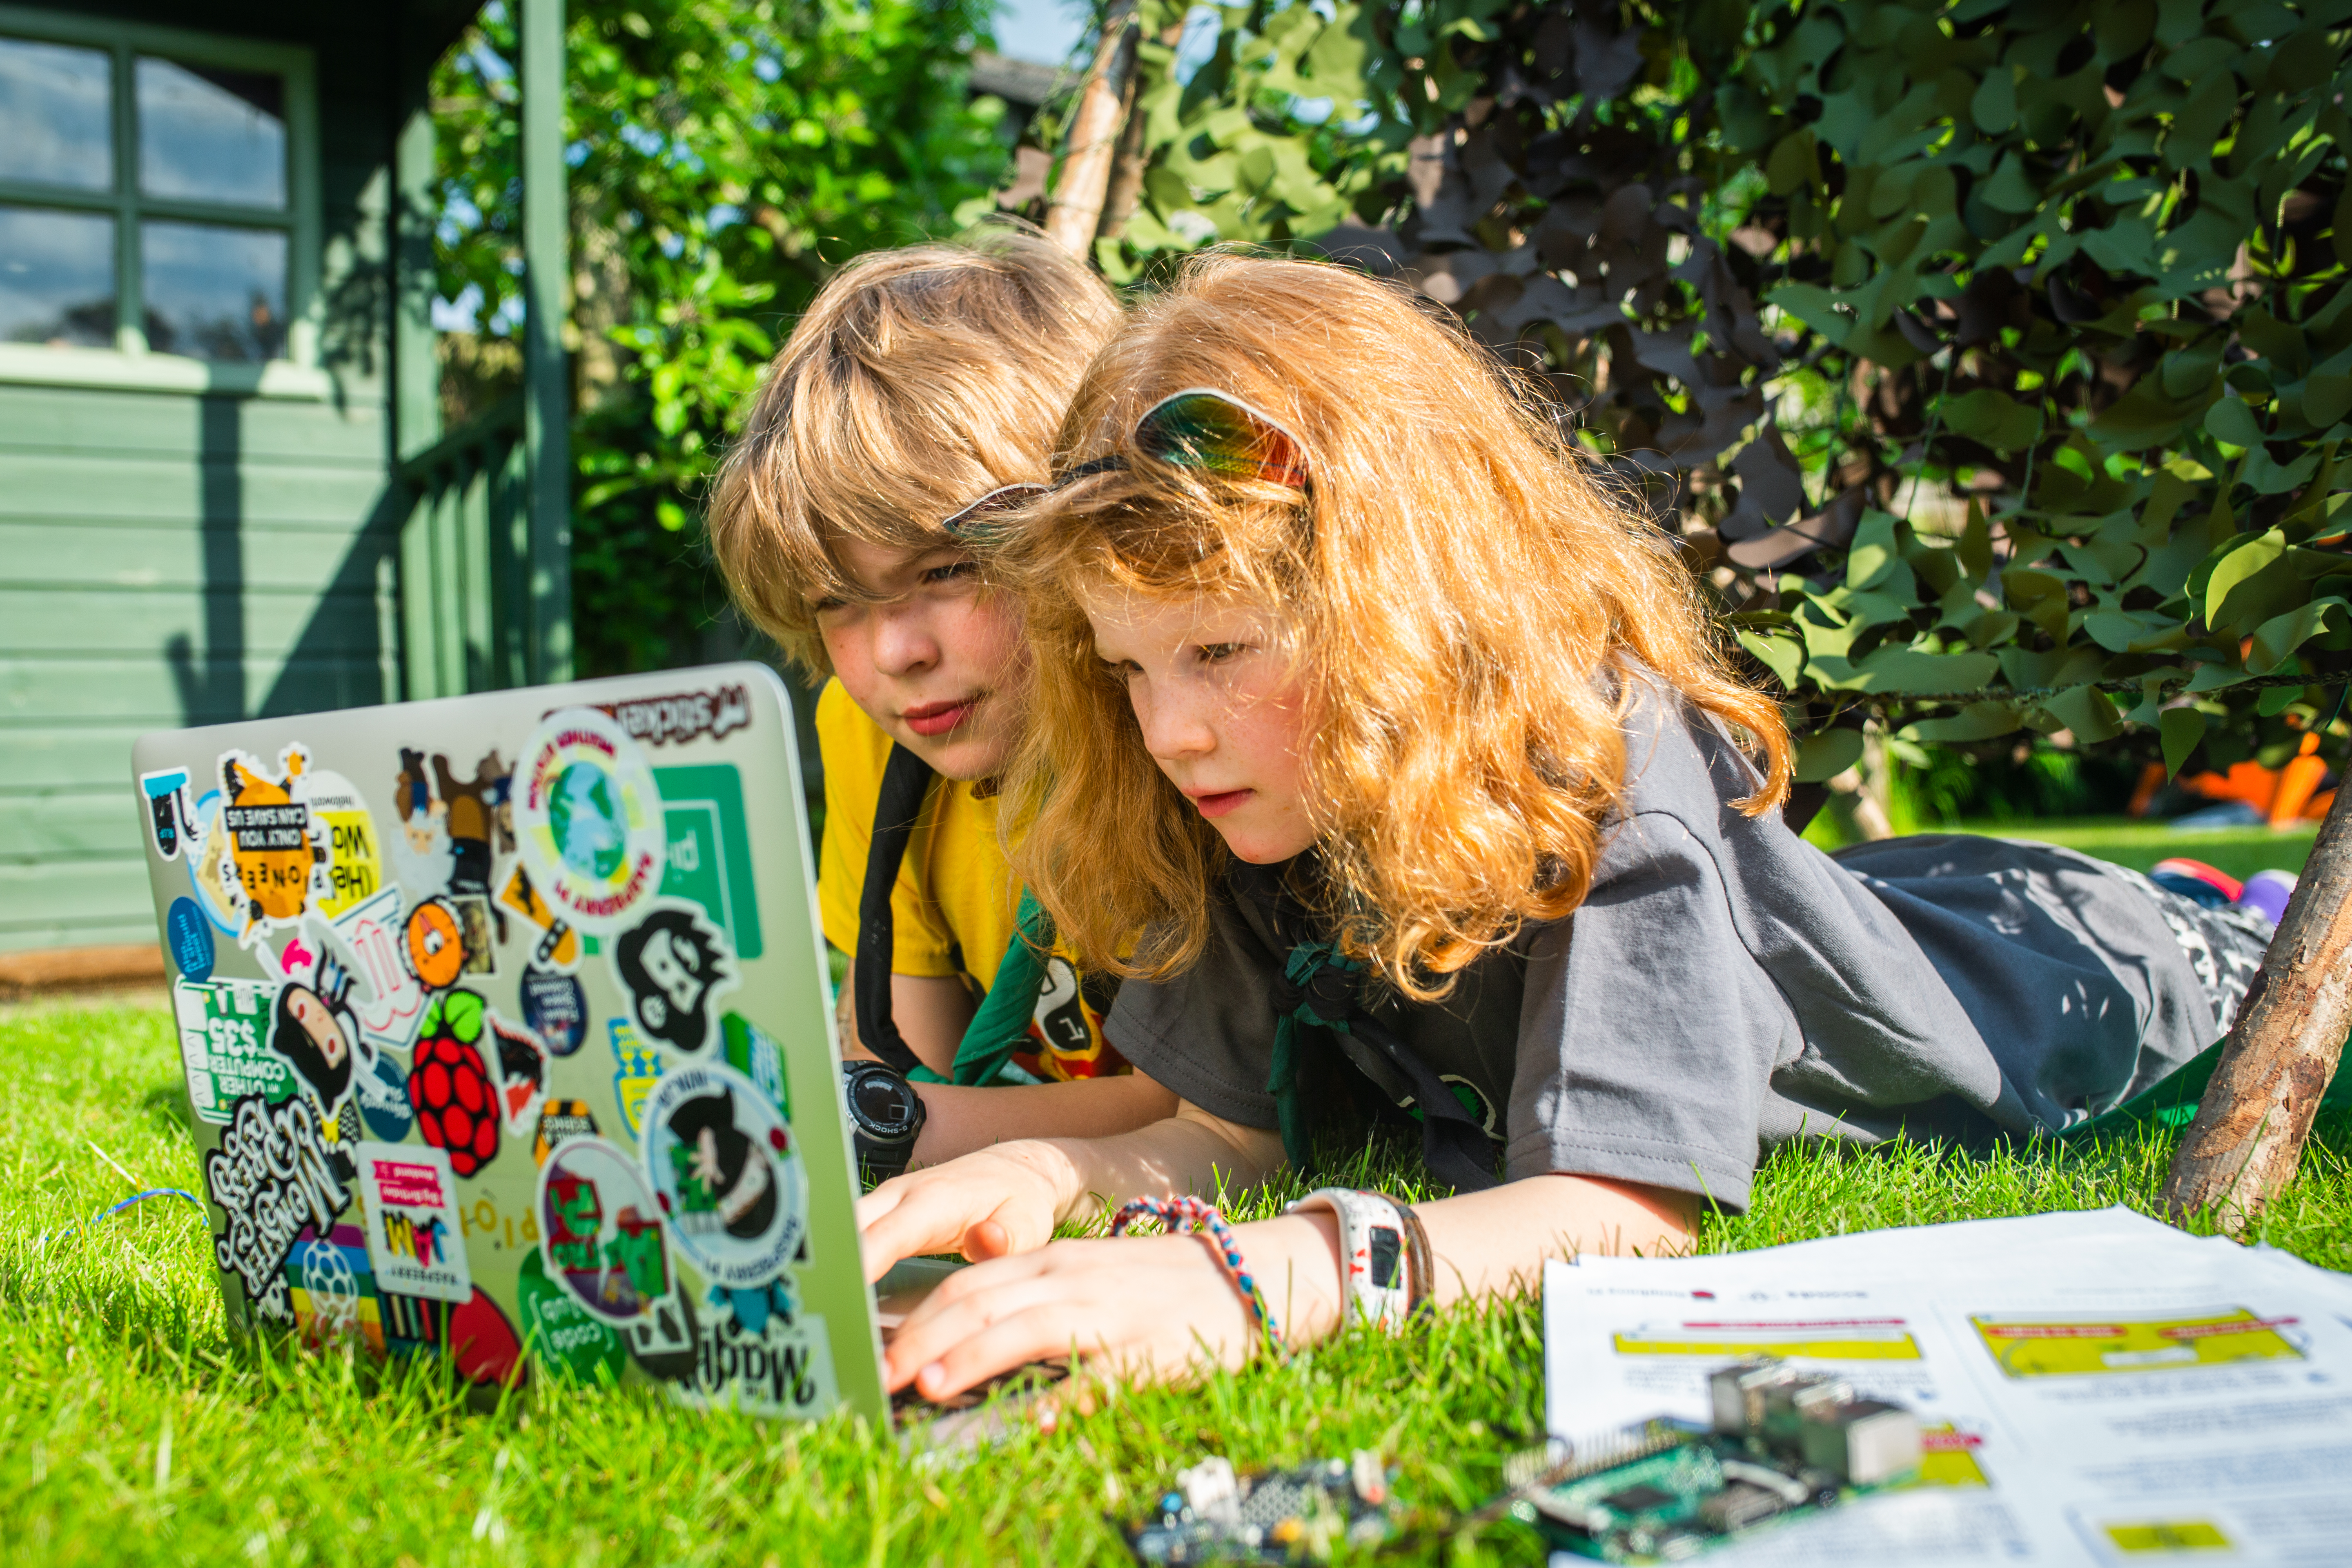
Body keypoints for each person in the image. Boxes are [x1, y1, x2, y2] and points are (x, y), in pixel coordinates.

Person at [856, 253, 2272, 1402]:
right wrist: (1034, 1172)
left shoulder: (1606, 758)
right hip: (1842, 918)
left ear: (1407, 610)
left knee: (2206, 945)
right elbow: (1231, 1136)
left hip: (2066, 976)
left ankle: (2233, 899)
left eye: (1221, 652)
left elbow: (1615, 1207)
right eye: (1127, 669)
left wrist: (1254, 1283)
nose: (1166, 731)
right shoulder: (1246, 803)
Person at [707, 229, 1178, 1174]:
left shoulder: (1184, 730)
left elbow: (1202, 1106)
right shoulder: (870, 731)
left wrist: (870, 1131)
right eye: (836, 601)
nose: (895, 653)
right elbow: (907, 1055)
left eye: (951, 569)